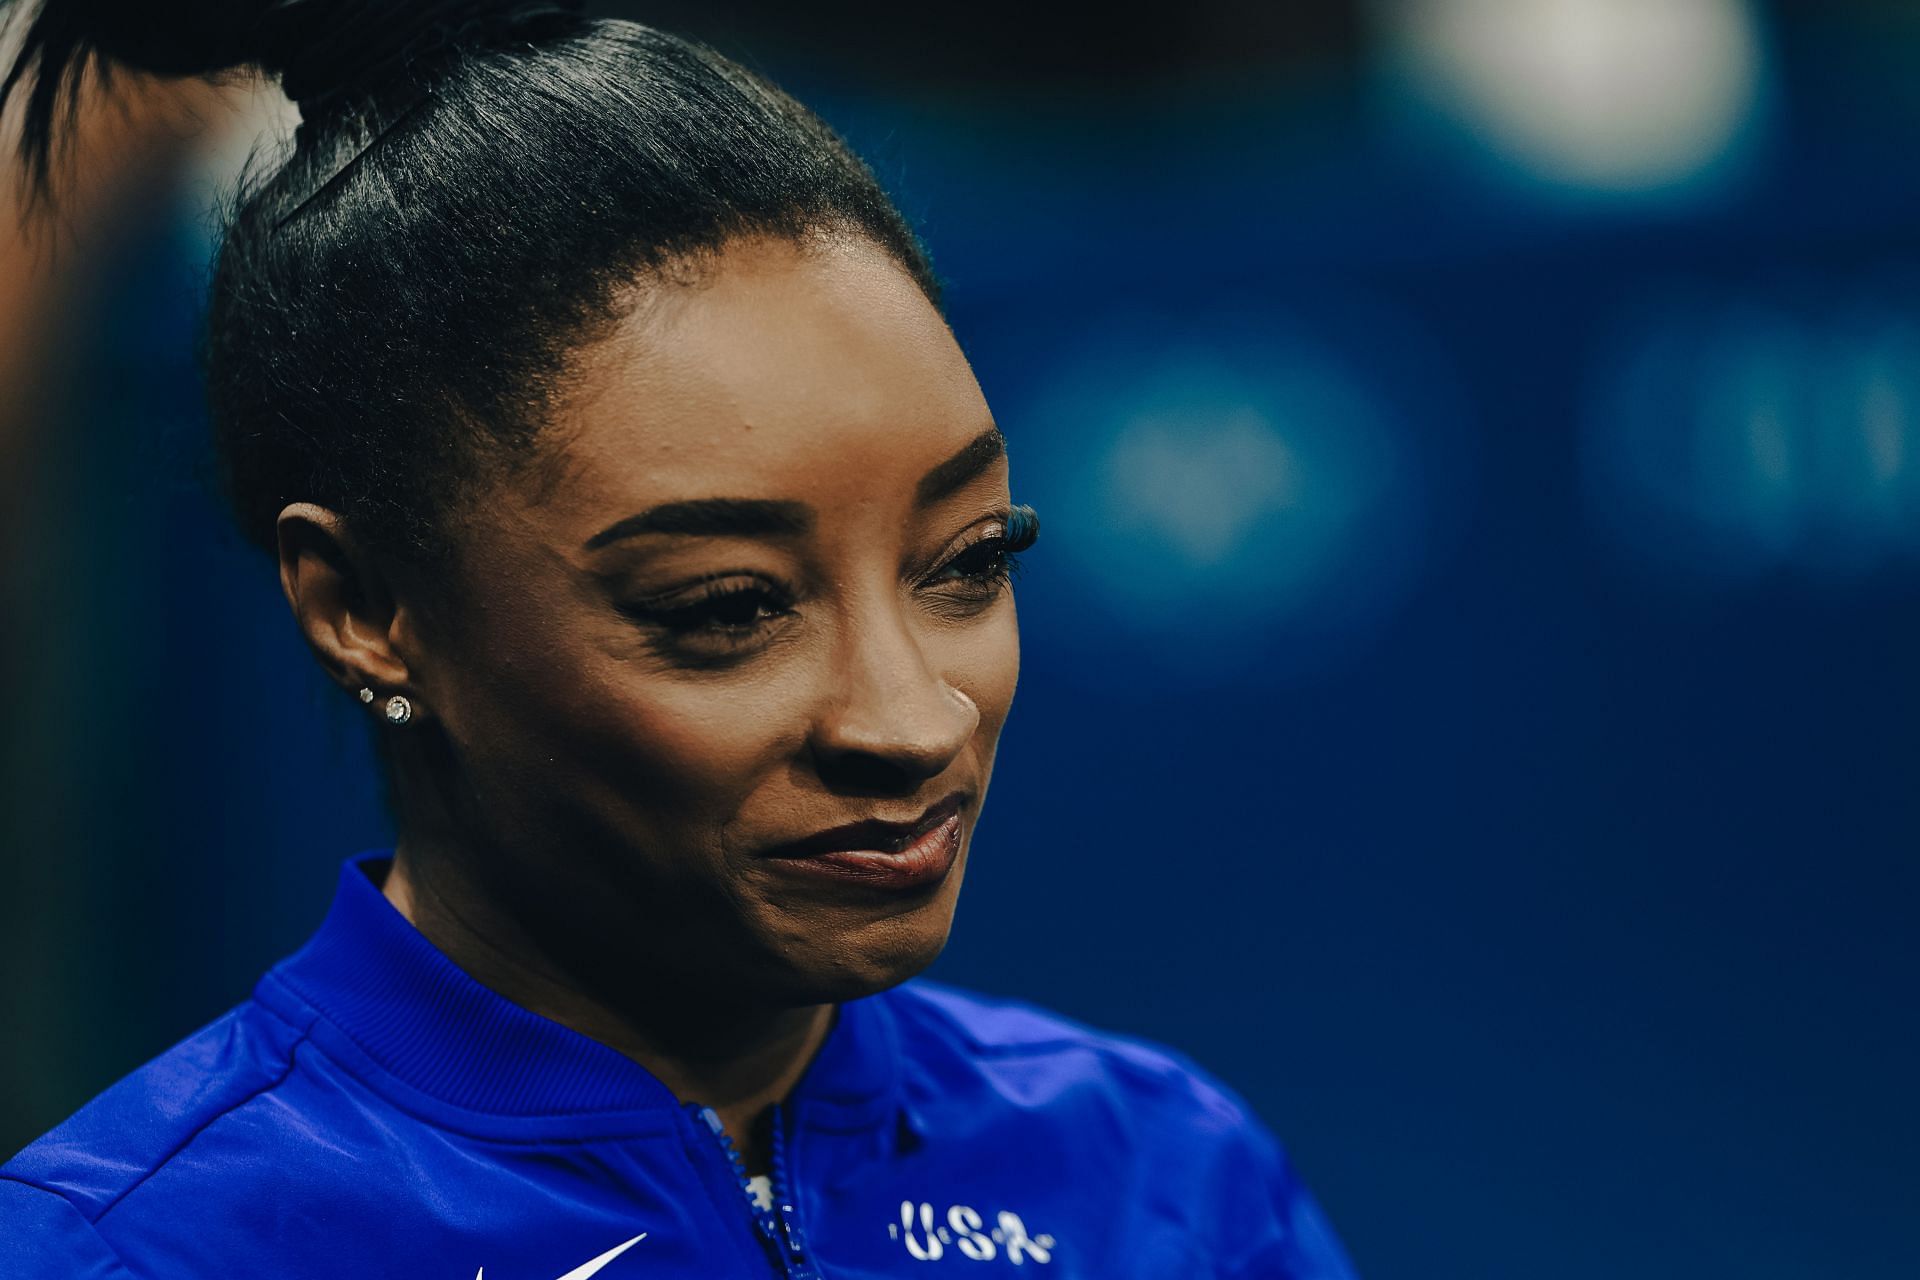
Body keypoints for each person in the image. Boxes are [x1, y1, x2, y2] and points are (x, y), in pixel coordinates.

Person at [0, 2, 1358, 1276]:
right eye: (728, 610)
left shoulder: (1162, 1181)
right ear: (367, 612)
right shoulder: (138, 1246)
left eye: (967, 563)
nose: (913, 720)